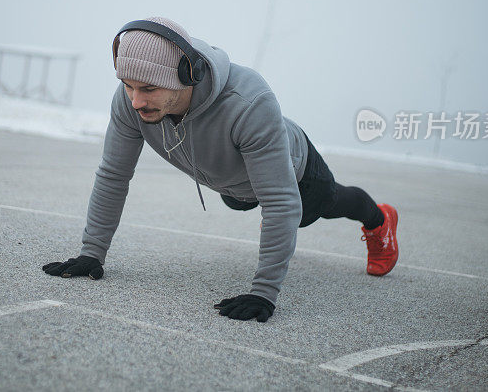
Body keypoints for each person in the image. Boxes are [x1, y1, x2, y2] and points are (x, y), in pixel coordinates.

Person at [43, 17, 399, 323]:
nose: (135, 101)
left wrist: (264, 292)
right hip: (232, 183)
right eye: (129, 86)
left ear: (187, 75)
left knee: (315, 207)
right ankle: (269, 216)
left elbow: (279, 200)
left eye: (148, 89)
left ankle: (379, 220)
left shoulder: (249, 103)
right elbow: (113, 176)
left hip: (293, 168)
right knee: (242, 202)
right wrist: (92, 252)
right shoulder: (130, 102)